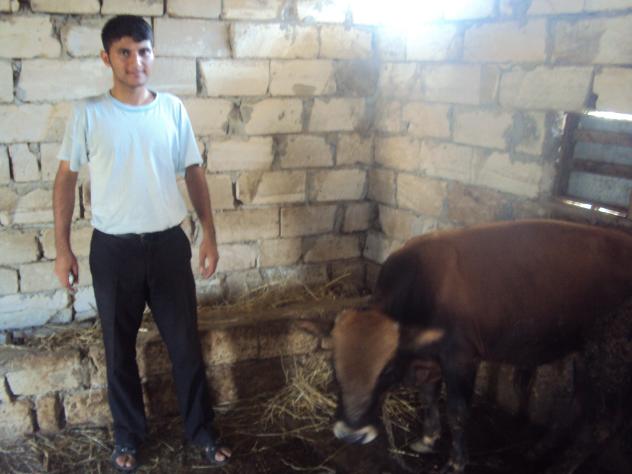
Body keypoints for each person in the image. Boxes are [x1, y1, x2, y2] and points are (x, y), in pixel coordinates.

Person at [52, 15, 231, 472]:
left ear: (154, 53)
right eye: (125, 52)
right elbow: (65, 179)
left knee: (185, 346)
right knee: (118, 351)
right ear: (106, 57)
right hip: (113, 251)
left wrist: (209, 234)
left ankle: (202, 432)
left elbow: (193, 171)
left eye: (144, 51)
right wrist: (63, 248)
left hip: (168, 245)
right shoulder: (89, 113)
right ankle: (127, 437)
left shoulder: (171, 109)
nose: (136, 61)